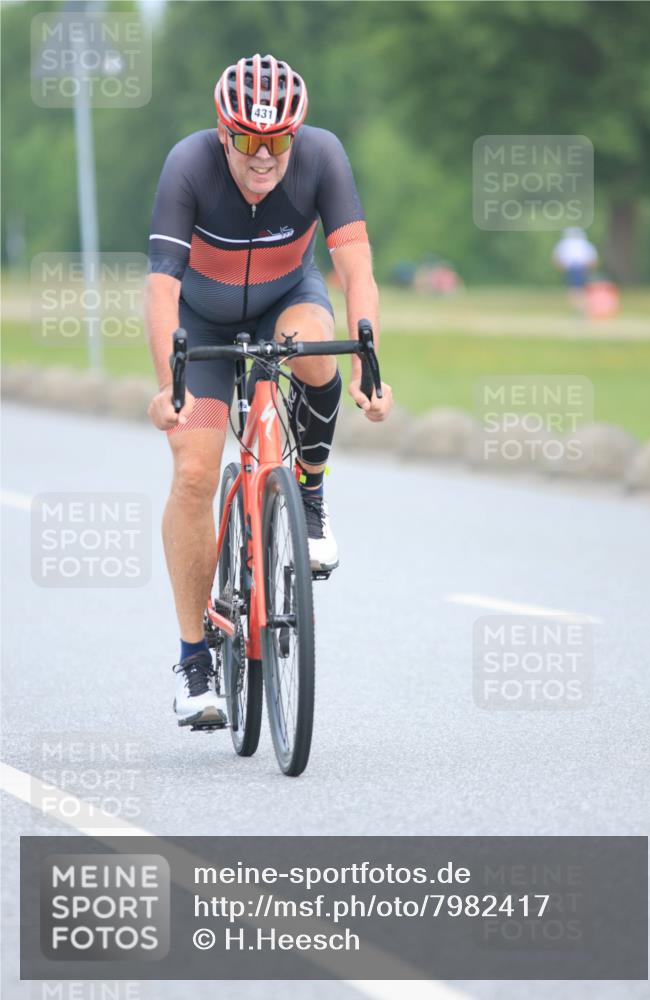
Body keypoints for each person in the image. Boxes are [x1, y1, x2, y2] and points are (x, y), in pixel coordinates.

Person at [145, 54, 393, 727]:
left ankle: (309, 495)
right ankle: (194, 661)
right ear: (223, 133)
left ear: (296, 134)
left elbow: (354, 265)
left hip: (287, 299)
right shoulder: (187, 165)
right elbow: (162, 286)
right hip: (200, 321)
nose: (264, 156)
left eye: (278, 139)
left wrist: (370, 359)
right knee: (194, 473)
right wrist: (169, 381)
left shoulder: (323, 157)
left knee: (313, 349)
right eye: (248, 140)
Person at [552, 227, 598, 311]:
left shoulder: (566, 244)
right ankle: (580, 308)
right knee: (579, 290)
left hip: (575, 269)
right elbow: (592, 260)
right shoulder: (584, 244)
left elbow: (557, 259)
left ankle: (579, 308)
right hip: (579, 269)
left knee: (575, 290)